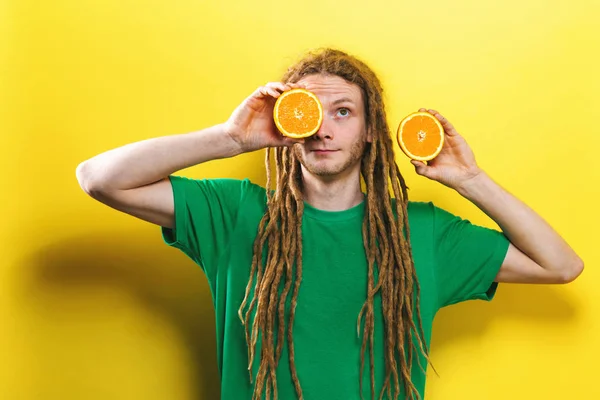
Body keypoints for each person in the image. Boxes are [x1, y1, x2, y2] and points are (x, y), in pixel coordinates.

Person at [75, 48, 583, 400]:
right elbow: (99, 178)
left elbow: (560, 264)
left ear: (370, 131)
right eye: (308, 112)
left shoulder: (424, 233)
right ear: (287, 124)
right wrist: (229, 139)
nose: (323, 128)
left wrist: (470, 179)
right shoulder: (235, 214)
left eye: (343, 112)